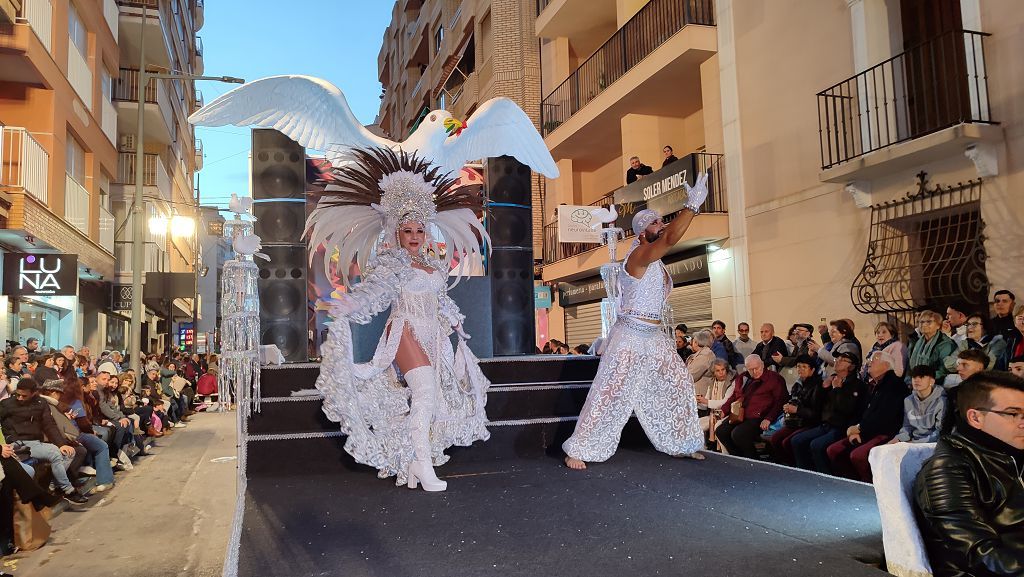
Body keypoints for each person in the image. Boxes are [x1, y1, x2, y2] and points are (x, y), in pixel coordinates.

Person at [309, 148, 492, 492]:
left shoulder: (433, 265)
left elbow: (441, 299)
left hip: (435, 336)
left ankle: (411, 462)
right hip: (405, 330)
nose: (414, 235)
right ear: (396, 232)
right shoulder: (393, 264)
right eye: (407, 230)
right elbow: (375, 292)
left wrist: (455, 323)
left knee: (433, 398)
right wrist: (350, 304)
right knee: (424, 391)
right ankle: (423, 466)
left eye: (419, 230)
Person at [562, 173, 710, 469]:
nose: (662, 224)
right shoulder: (639, 255)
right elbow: (670, 238)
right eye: (655, 222)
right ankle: (579, 449)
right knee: (611, 391)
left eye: (660, 220)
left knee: (678, 381)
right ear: (642, 231)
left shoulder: (654, 259)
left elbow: (668, 238)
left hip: (654, 337)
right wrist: (691, 205)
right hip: (630, 335)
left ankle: (682, 442)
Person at [913, 371, 1024, 576]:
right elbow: (981, 555)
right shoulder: (946, 470)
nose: (1022, 423)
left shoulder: (1008, 455)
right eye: (1013, 414)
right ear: (975, 417)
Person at [0, 377, 89, 504]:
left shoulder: (41, 403)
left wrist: (61, 444)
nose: (19, 398)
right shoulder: (6, 404)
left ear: (33, 393)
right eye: (17, 395)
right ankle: (67, 490)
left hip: (36, 442)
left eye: (24, 396)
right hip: (17, 442)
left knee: (69, 452)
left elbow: (49, 425)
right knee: (54, 453)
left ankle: (54, 485)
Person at [825, 350, 906, 482]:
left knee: (858, 455)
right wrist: (856, 429)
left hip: (885, 432)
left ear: (886, 365)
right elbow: (865, 412)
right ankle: (848, 484)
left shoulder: (894, 385)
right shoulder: (876, 384)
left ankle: (867, 487)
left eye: (874, 360)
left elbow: (885, 417)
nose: (869, 362)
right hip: (867, 429)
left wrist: (860, 429)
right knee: (833, 450)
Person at [791, 352, 865, 473]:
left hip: (842, 426)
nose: (837, 360)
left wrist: (837, 389)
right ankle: (805, 474)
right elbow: (819, 404)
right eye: (838, 358)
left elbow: (846, 409)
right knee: (797, 440)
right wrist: (824, 387)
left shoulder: (856, 385)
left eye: (843, 359)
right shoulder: (832, 381)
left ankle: (826, 476)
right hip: (826, 424)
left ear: (851, 366)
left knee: (816, 445)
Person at [714, 355, 787, 459]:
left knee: (738, 434)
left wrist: (769, 418)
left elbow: (780, 401)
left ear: (762, 365)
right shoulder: (744, 377)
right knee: (721, 431)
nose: (754, 372)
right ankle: (738, 457)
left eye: (756, 368)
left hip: (760, 416)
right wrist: (724, 410)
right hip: (741, 414)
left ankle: (752, 459)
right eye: (750, 369)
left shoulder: (774, 378)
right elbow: (734, 396)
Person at [769, 354, 825, 465]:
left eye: (804, 367)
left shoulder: (818, 386)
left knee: (788, 441)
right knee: (775, 438)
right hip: (795, 421)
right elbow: (794, 400)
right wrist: (788, 407)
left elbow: (816, 412)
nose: (800, 369)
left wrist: (797, 410)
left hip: (809, 423)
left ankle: (798, 466)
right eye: (798, 366)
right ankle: (785, 464)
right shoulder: (798, 384)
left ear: (812, 370)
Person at [888, 364, 946, 445]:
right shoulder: (908, 400)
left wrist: (915, 443)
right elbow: (907, 427)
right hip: (913, 441)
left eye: (921, 377)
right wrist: (898, 439)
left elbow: (939, 432)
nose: (916, 380)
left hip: (932, 444)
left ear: (932, 381)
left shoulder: (941, 401)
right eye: (914, 377)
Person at [908, 310, 958, 385]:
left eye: (929, 322)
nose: (924, 325)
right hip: (916, 382)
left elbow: (944, 369)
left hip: (936, 383)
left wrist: (925, 379)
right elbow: (909, 364)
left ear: (938, 325)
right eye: (921, 322)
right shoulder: (917, 342)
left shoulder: (946, 344)